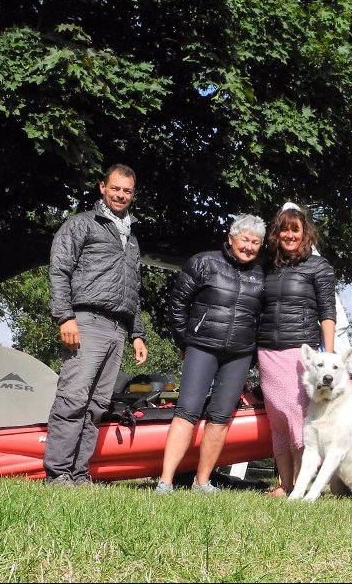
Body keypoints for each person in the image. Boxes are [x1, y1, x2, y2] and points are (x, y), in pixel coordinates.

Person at [44, 163, 149, 486]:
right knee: (73, 398)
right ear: (102, 187)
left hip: (118, 328)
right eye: (115, 188)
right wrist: (66, 316)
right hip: (86, 320)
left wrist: (138, 334)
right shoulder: (82, 225)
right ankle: (58, 472)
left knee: (96, 406)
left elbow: (133, 289)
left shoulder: (130, 238)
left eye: (127, 191)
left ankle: (78, 473)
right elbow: (59, 270)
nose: (121, 195)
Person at [154, 214, 267, 494]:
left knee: (220, 417)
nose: (249, 246)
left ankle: (202, 482)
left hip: (239, 354)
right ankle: (165, 481)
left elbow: (263, 316)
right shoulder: (204, 262)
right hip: (202, 347)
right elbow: (177, 303)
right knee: (187, 412)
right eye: (245, 239)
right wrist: (186, 340)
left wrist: (252, 353)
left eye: (256, 242)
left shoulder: (261, 273)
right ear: (231, 238)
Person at [256, 205, 337, 498]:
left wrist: (329, 356)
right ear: (277, 234)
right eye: (284, 230)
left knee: (296, 416)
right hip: (267, 351)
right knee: (278, 417)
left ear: (305, 235)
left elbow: (328, 312)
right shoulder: (267, 266)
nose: (290, 235)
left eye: (296, 230)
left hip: (299, 351)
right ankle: (285, 484)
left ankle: (302, 485)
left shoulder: (318, 266)